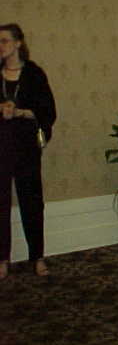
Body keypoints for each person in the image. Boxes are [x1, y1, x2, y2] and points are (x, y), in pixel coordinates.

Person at [0, 23, 56, 280]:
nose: (0, 46)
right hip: (1, 145)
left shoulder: (34, 74)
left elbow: (48, 111)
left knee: (32, 201)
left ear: (18, 43)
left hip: (25, 146)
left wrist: (20, 112)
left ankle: (37, 257)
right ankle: (2, 259)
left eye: (4, 41)